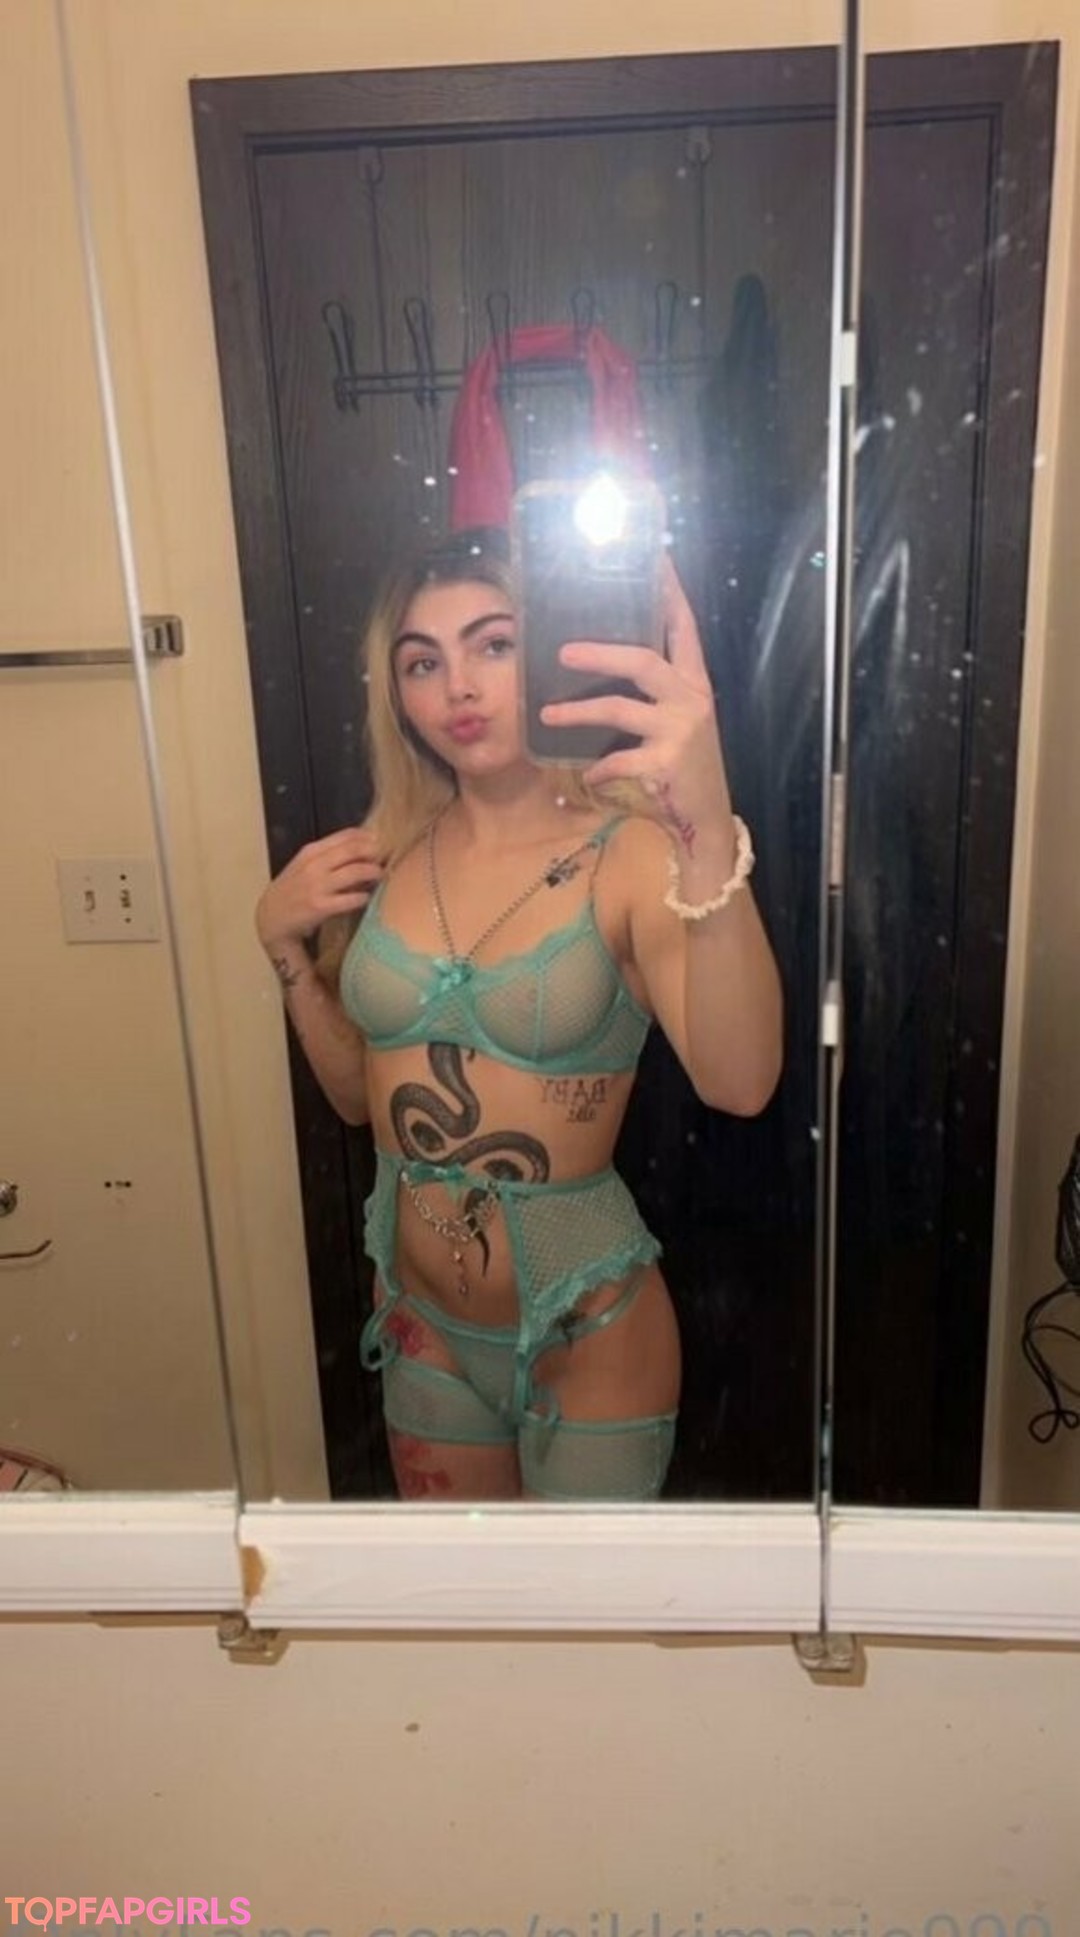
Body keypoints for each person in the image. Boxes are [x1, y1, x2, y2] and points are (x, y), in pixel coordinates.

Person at [255, 526, 782, 1502]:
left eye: (493, 644)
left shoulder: (631, 851)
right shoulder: (383, 857)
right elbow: (363, 1103)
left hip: (590, 1330)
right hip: (422, 1324)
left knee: (575, 1606)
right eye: (423, 661)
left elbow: (741, 1083)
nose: (458, 687)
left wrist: (707, 821)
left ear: (546, 651)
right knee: (461, 1596)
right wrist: (285, 950)